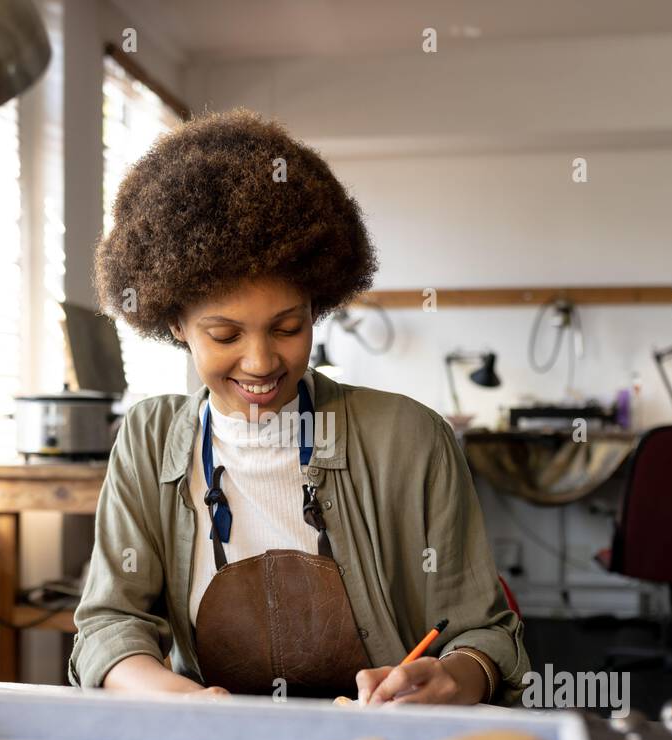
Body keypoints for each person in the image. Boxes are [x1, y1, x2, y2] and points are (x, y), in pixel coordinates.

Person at [68, 108, 528, 705]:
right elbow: (108, 626)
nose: (260, 363)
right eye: (225, 335)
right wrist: (180, 701)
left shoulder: (410, 439)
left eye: (287, 327)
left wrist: (452, 678)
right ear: (177, 322)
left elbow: (481, 633)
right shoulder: (148, 440)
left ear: (318, 305)